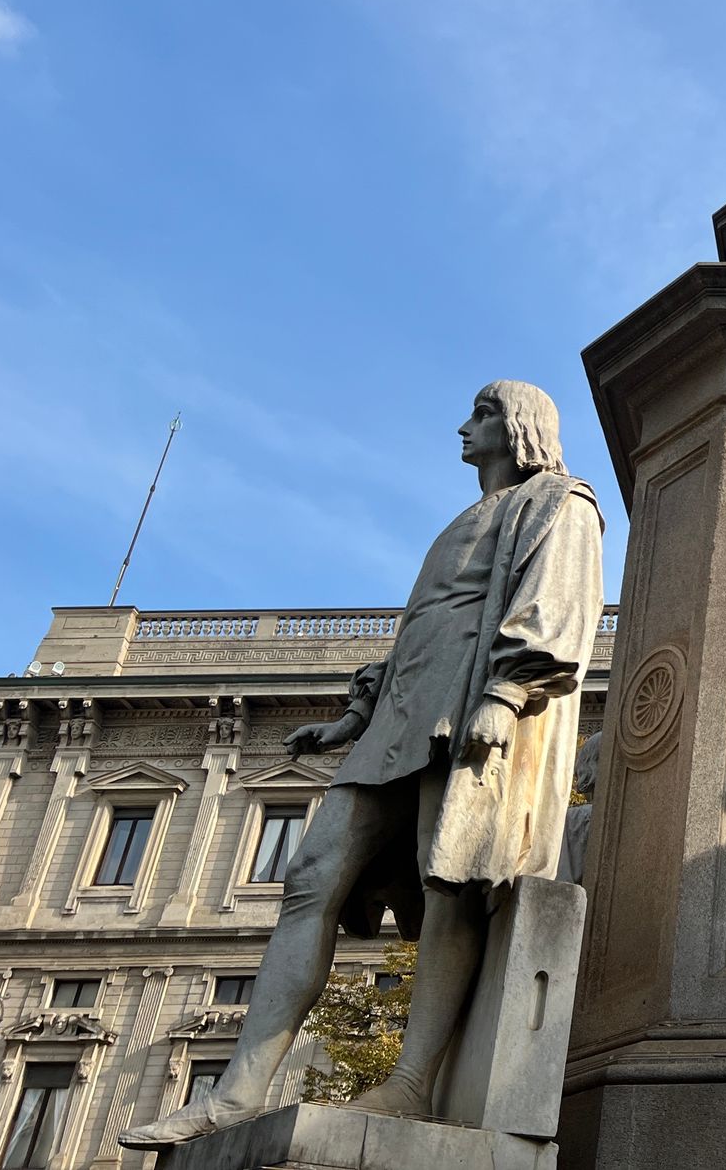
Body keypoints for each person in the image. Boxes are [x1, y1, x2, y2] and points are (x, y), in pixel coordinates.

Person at [122, 381, 604, 1146]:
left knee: (448, 884)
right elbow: (422, 629)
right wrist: (351, 715)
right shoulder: (463, 521)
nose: (462, 426)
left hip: (472, 714)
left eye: (479, 414)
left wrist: (508, 693)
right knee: (311, 877)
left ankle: (411, 1082)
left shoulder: (560, 504)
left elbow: (558, 603)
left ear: (515, 425)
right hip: (400, 719)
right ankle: (238, 1092)